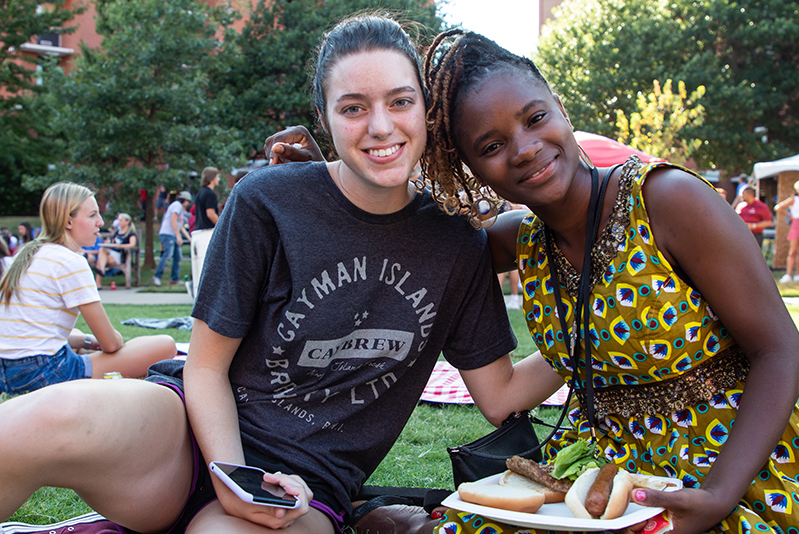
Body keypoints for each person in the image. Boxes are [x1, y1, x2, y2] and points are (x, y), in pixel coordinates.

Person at [0, 15, 554, 534]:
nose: (381, 126)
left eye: (400, 101)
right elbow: (207, 367)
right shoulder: (269, 199)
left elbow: (502, 396)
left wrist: (593, 323)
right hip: (187, 436)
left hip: (305, 486)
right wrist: (230, 473)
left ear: (425, 110)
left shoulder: (456, 243)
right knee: (38, 422)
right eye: (354, 107)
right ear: (325, 117)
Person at [266, 26, 799, 534]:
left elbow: (780, 350)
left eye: (536, 117)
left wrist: (718, 496)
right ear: (472, 168)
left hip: (735, 464)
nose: (523, 148)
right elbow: (405, 236)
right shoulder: (518, 241)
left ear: (560, 109)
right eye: (491, 146)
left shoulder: (666, 201)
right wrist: (329, 184)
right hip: (600, 476)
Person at [0, 182, 176, 395]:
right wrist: (114, 341)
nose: (100, 222)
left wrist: (86, 341)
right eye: (92, 215)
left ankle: (81, 345)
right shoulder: (70, 261)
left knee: (76, 334)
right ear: (68, 221)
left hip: (6, 372)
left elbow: (27, 328)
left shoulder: (23, 255)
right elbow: (110, 343)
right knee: (165, 345)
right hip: (44, 372)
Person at [190, 166, 220, 296]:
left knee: (199, 269)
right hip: (207, 234)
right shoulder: (210, 194)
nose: (219, 179)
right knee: (207, 268)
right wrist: (222, 225)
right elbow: (210, 213)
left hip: (198, 233)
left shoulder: (200, 193)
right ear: (212, 178)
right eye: (217, 176)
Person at [151, 190, 192, 287]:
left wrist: (190, 239)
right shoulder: (176, 205)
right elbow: (173, 220)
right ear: (185, 200)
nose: (188, 204)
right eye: (188, 202)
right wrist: (178, 236)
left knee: (178, 257)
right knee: (167, 255)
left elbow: (180, 226)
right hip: (168, 234)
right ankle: (157, 277)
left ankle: (174, 278)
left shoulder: (180, 209)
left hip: (173, 234)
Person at [93, 213, 138, 289]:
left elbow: (132, 245)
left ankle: (100, 276)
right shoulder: (117, 232)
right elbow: (113, 243)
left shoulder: (130, 233)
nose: (119, 222)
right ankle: (102, 271)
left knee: (100, 260)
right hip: (111, 254)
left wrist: (120, 246)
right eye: (118, 220)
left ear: (127, 222)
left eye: (121, 220)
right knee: (102, 250)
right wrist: (109, 244)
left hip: (121, 255)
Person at [775, 180, 799, 284]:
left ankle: (797, 274)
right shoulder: (794, 199)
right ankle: (788, 274)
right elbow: (778, 207)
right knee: (792, 251)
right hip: (796, 224)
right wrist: (789, 214)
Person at [735, 185, 773, 250]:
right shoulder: (741, 206)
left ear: (750, 194)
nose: (741, 196)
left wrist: (753, 225)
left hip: (755, 235)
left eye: (743, 194)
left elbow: (768, 222)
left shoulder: (761, 206)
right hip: (741, 234)